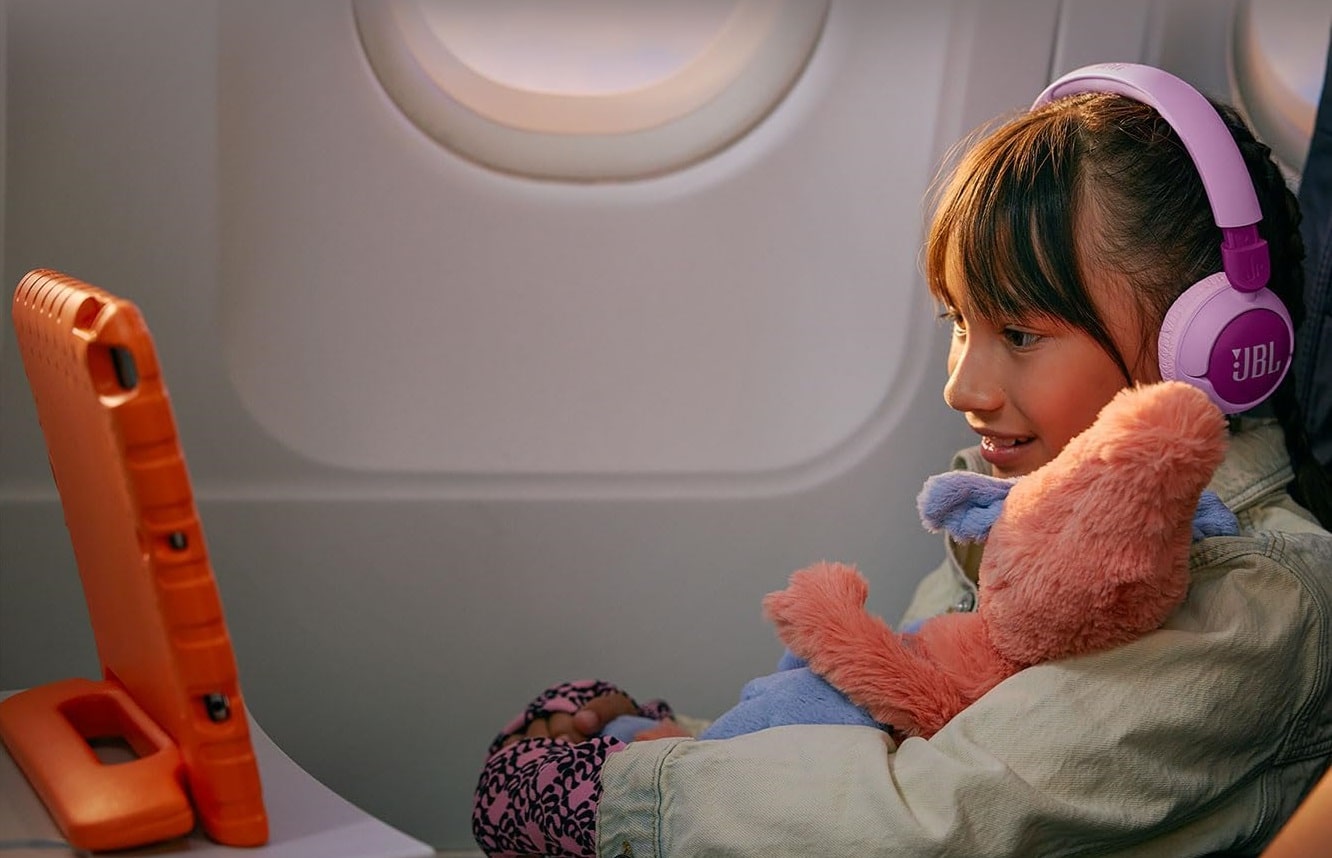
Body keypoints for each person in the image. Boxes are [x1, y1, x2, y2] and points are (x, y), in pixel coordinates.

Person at [472, 64, 1332, 857]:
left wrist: (619, 803)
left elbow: (931, 819)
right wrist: (675, 741)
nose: (962, 385)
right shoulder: (1020, 515)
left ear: (1220, 348)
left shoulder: (1249, 602)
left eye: (1020, 334)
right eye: (959, 324)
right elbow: (893, 724)